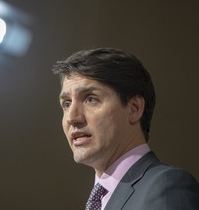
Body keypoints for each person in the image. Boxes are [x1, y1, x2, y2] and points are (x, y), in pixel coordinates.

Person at [52, 47, 199, 210]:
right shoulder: (100, 200)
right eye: (66, 104)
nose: (72, 118)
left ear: (134, 108)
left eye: (91, 99)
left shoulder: (166, 186)